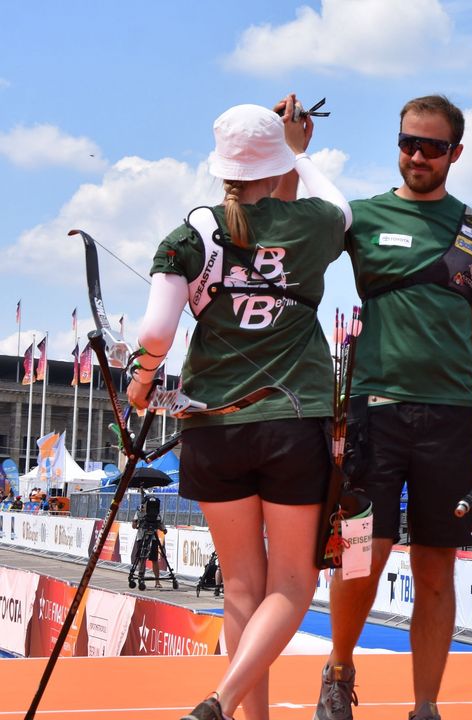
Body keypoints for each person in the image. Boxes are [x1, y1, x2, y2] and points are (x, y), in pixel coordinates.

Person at [312, 95, 472, 720]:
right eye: (407, 142)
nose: (416, 155)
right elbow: (290, 229)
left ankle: (425, 706)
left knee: (438, 567)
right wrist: (290, 150)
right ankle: (338, 674)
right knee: (360, 555)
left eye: (432, 147)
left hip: (448, 421)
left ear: (455, 154)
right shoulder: (357, 217)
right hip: (373, 413)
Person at [125, 97, 351, 720]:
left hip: (212, 426)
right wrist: (300, 155)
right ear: (277, 161)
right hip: (291, 421)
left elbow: (154, 333)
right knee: (293, 584)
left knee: (243, 588)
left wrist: (144, 378)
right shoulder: (309, 222)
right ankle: (220, 703)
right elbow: (344, 210)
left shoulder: (191, 231)